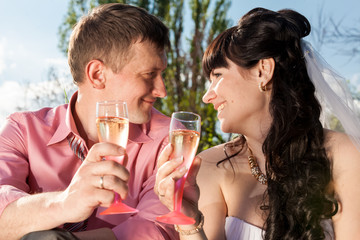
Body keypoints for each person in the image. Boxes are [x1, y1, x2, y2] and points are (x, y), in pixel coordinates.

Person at [154, 7, 360, 240]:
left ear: (263, 71)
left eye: (218, 76)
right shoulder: (210, 166)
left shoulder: (344, 154)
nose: (207, 96)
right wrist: (189, 218)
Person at [0, 3, 179, 240]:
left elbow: (158, 229)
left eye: (162, 74)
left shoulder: (168, 139)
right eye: (149, 75)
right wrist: (64, 203)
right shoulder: (22, 130)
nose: (161, 90)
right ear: (97, 74)